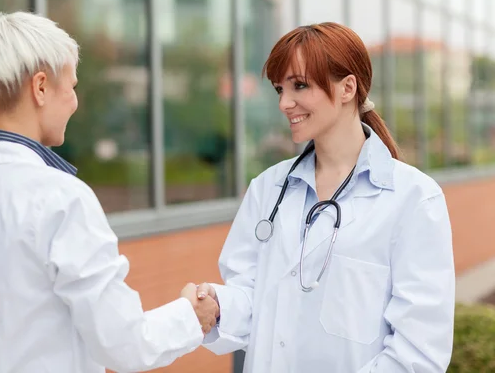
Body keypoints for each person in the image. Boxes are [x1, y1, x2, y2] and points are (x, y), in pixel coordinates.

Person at [0, 11, 219, 373]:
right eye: (71, 87)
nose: (74, 102)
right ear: (40, 87)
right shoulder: (61, 198)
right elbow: (123, 344)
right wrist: (191, 315)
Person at [193, 22, 455, 372]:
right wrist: (217, 305)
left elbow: (418, 353)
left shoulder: (413, 200)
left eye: (299, 85)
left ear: (348, 87)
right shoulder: (268, 189)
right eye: (279, 89)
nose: (285, 103)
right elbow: (252, 298)